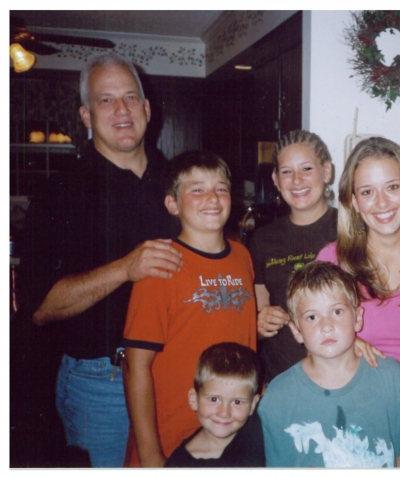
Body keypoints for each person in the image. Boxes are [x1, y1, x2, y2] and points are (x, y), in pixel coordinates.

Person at [20, 53, 182, 467]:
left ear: (147, 109)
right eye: (106, 100)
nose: (122, 110)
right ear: (87, 115)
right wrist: (126, 269)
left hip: (176, 371)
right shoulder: (60, 192)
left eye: (130, 97)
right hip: (101, 383)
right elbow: (39, 308)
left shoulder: (182, 184)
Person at [122, 150, 257, 467]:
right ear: (173, 203)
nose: (212, 197)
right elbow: (135, 366)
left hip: (232, 434)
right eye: (197, 189)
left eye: (221, 188)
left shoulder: (242, 256)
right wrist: (150, 454)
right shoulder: (160, 264)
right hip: (171, 439)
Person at [258, 261, 400, 468]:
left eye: (337, 312)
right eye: (312, 317)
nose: (326, 326)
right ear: (296, 331)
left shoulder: (392, 377)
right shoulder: (277, 397)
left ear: (358, 318)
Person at [317, 137, 400, 402]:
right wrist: (341, 346)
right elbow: (309, 339)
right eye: (367, 192)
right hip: (356, 417)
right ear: (355, 203)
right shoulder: (331, 261)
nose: (382, 203)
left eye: (392, 187)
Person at [249, 130, 337, 383]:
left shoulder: (351, 229)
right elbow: (257, 315)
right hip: (280, 379)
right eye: (287, 171)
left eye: (307, 169)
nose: (296, 180)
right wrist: (260, 324)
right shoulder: (262, 240)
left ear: (327, 172)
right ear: (276, 179)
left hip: (338, 374)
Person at [164, 342, 265, 467]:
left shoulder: (260, 430)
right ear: (194, 399)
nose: (224, 413)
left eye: (237, 402)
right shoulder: (179, 465)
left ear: (253, 404)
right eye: (213, 399)